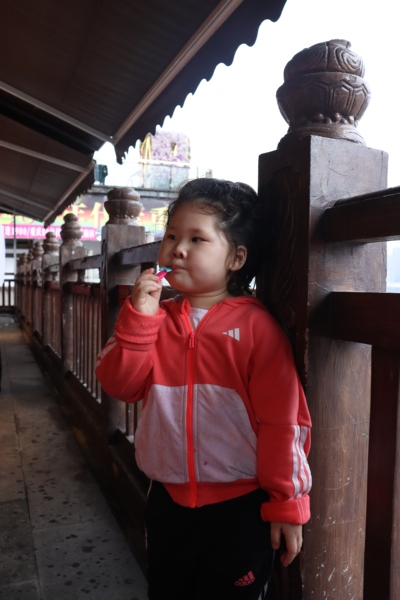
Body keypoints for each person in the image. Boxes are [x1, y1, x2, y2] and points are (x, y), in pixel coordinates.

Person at [95, 178, 312, 600]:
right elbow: (120, 384)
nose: (177, 249)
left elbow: (283, 422)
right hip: (166, 502)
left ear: (236, 258)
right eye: (171, 236)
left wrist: (287, 502)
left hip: (242, 509)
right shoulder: (151, 320)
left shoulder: (257, 328)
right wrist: (139, 320)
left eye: (197, 239)